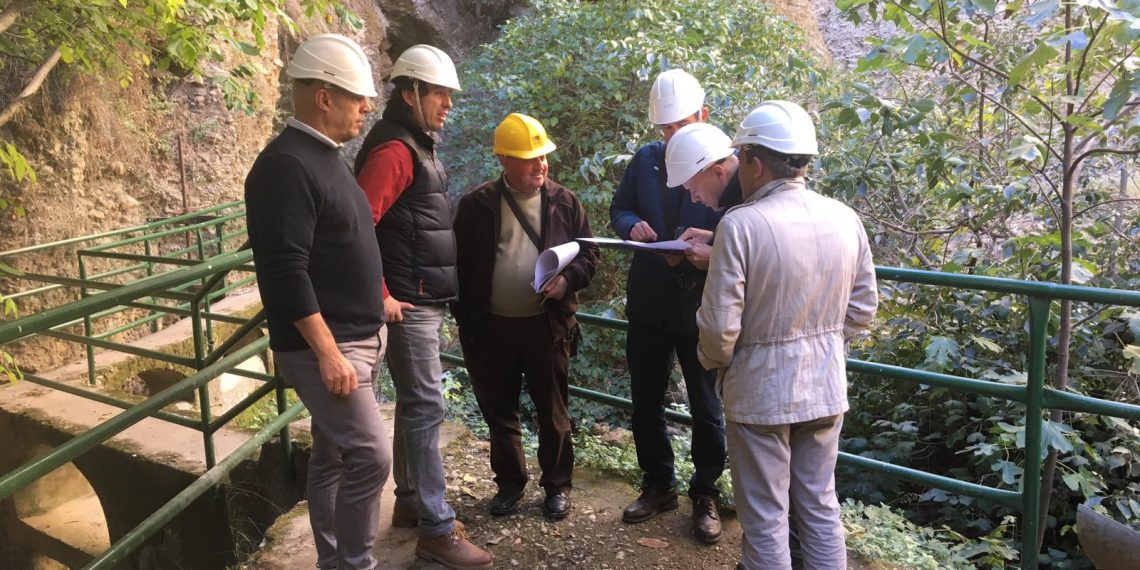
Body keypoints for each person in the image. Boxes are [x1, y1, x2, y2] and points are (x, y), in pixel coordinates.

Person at [696, 101, 878, 570]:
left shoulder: (740, 225)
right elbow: (863, 309)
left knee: (765, 518)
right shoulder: (845, 217)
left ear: (754, 162)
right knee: (819, 506)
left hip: (759, 393)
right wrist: (824, 348)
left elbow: (719, 329)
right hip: (824, 388)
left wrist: (717, 362)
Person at [244, 34, 389, 570]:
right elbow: (284, 271)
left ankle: (333, 560)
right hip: (331, 347)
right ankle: (354, 563)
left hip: (360, 334)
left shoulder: (325, 157)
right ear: (323, 96)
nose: (367, 107)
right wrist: (328, 352)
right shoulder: (284, 166)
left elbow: (341, 242)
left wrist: (381, 304)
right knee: (372, 456)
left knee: (333, 453)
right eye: (357, 96)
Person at [353, 44, 491, 569]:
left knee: (415, 405)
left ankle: (411, 504)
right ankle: (436, 527)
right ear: (410, 93)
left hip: (420, 297)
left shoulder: (414, 143)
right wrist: (381, 292)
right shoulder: (396, 150)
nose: (448, 104)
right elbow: (358, 226)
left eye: (449, 95)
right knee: (428, 404)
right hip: (407, 302)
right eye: (438, 93)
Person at [608, 69, 736, 544]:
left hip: (700, 303)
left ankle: (705, 493)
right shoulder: (646, 160)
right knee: (645, 400)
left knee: (706, 404)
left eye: (680, 124)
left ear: (703, 116)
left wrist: (710, 251)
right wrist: (632, 225)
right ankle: (658, 483)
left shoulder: (724, 165)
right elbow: (619, 207)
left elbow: (741, 227)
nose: (672, 136)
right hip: (649, 299)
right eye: (665, 128)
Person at [452, 113, 598, 521]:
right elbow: (457, 267)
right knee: (501, 412)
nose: (541, 165)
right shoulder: (477, 205)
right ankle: (510, 485)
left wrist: (567, 281)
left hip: (546, 327)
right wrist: (467, 322)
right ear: (504, 160)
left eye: (543, 156)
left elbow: (589, 254)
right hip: (491, 327)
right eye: (529, 158)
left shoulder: (565, 203)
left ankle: (556, 487)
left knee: (554, 413)